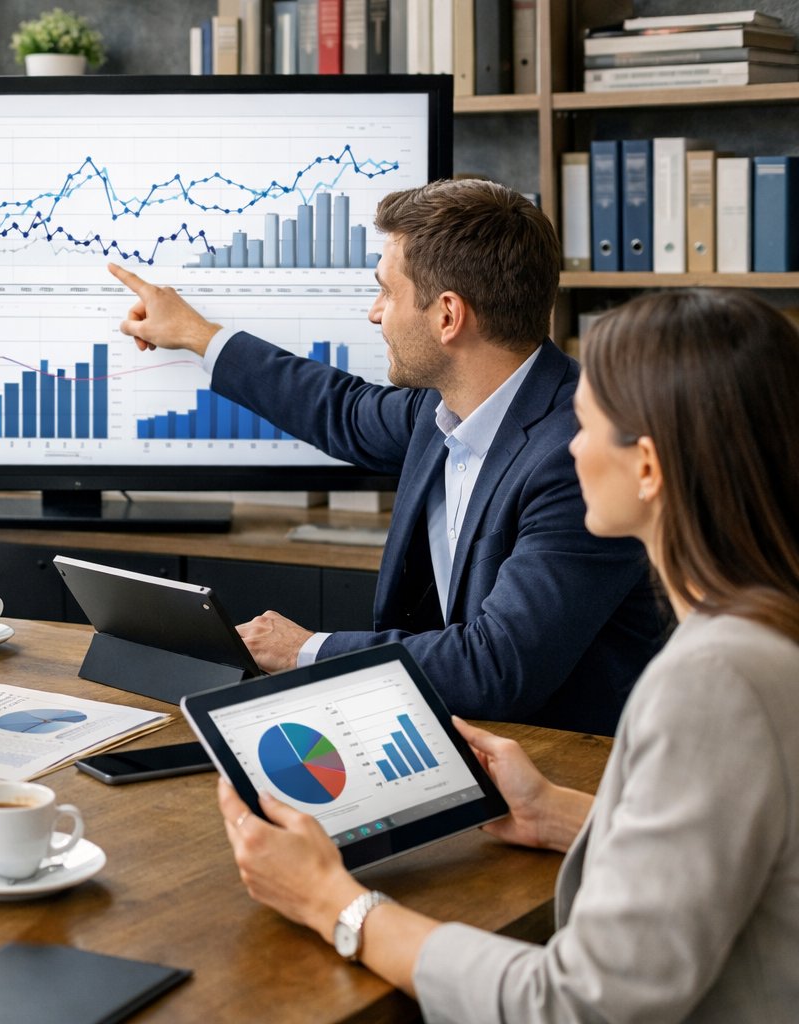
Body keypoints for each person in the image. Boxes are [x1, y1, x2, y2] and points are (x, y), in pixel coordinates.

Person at [216, 288, 799, 1022]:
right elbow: (732, 859)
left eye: (585, 424)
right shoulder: (766, 637)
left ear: (646, 468)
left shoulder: (713, 682)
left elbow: (575, 1004)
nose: (572, 444)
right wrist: (558, 814)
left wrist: (336, 903)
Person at [109, 179, 663, 735]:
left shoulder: (579, 453)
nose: (375, 314)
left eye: (387, 292)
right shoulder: (443, 407)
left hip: (567, 762)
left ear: (448, 316)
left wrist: (304, 649)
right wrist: (197, 334)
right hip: (469, 734)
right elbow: (341, 411)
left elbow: (498, 664)